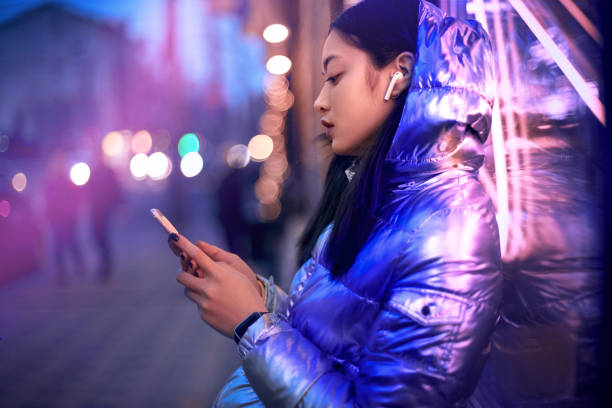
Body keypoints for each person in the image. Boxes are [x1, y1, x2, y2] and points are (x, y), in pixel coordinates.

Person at [168, 0, 502, 406]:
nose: (319, 101)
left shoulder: (450, 224)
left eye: (335, 76)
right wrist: (259, 296)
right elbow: (344, 341)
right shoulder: (379, 194)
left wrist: (252, 325)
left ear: (400, 74)